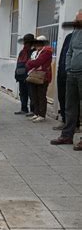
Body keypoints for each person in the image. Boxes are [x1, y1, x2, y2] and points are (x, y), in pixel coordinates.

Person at [51, 10, 82, 150]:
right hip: (72, 74)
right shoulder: (75, 34)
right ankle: (67, 135)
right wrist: (69, 68)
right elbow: (69, 51)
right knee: (70, 106)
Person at [25, 35, 53, 122]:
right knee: (34, 96)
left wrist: (30, 63)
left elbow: (38, 62)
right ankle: (36, 113)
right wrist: (31, 63)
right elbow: (28, 62)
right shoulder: (35, 52)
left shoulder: (47, 51)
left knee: (41, 96)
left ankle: (42, 115)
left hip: (43, 77)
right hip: (34, 75)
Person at [14, 34, 35, 115]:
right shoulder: (22, 51)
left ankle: (33, 110)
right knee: (22, 93)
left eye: (26, 42)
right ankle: (24, 109)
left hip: (29, 75)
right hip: (21, 76)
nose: (25, 44)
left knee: (31, 93)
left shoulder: (34, 51)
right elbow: (18, 63)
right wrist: (16, 74)